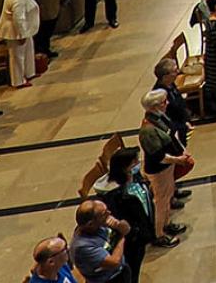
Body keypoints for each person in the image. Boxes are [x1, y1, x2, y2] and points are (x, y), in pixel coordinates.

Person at [137, 89, 190, 241]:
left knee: (167, 197)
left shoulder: (159, 117)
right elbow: (158, 156)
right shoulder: (148, 130)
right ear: (153, 107)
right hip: (159, 170)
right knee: (161, 201)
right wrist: (178, 160)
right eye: (163, 102)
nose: (167, 103)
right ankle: (159, 234)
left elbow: (172, 134)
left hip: (167, 167)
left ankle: (166, 223)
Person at [101, 147, 161, 279]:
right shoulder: (115, 196)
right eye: (134, 162)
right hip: (132, 240)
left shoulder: (136, 178)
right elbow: (121, 220)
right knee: (132, 270)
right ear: (124, 167)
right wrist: (136, 233)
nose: (138, 164)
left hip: (143, 231)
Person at [0, 0, 40, 88]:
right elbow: (18, 18)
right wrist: (22, 34)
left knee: (28, 50)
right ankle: (18, 80)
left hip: (25, 28)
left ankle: (30, 72)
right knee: (17, 56)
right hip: (14, 30)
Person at [71, 199, 131, 283]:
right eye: (104, 214)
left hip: (122, 270)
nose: (109, 213)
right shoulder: (83, 247)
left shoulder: (100, 223)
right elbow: (114, 262)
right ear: (90, 224)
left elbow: (127, 228)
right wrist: (121, 237)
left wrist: (118, 225)